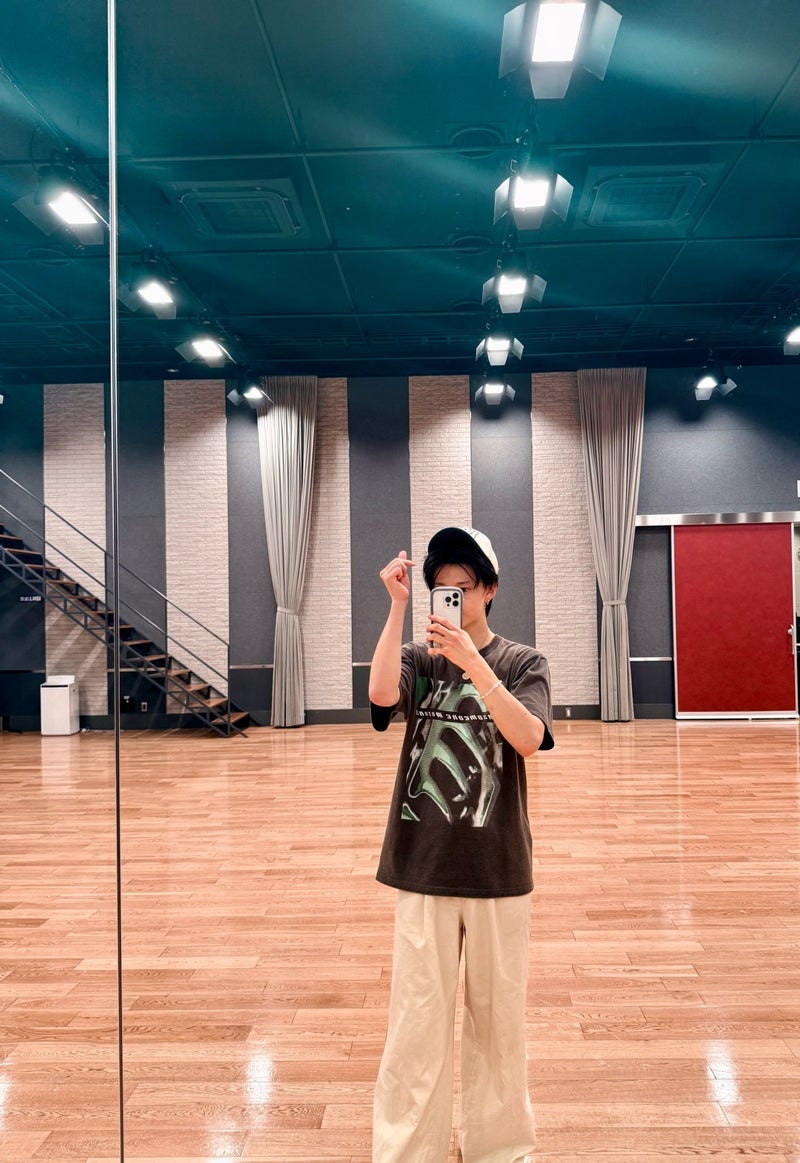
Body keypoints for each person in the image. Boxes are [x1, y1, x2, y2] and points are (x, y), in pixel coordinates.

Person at [369, 526, 554, 1163]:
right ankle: (407, 1150)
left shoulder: (523, 662)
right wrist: (396, 607)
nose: (453, 598)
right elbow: (381, 696)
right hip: (422, 865)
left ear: (490, 590)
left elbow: (528, 739)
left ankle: (499, 1149)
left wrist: (475, 663)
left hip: (499, 868)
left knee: (498, 1025)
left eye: (464, 588)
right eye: (441, 589)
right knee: (416, 1022)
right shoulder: (420, 659)